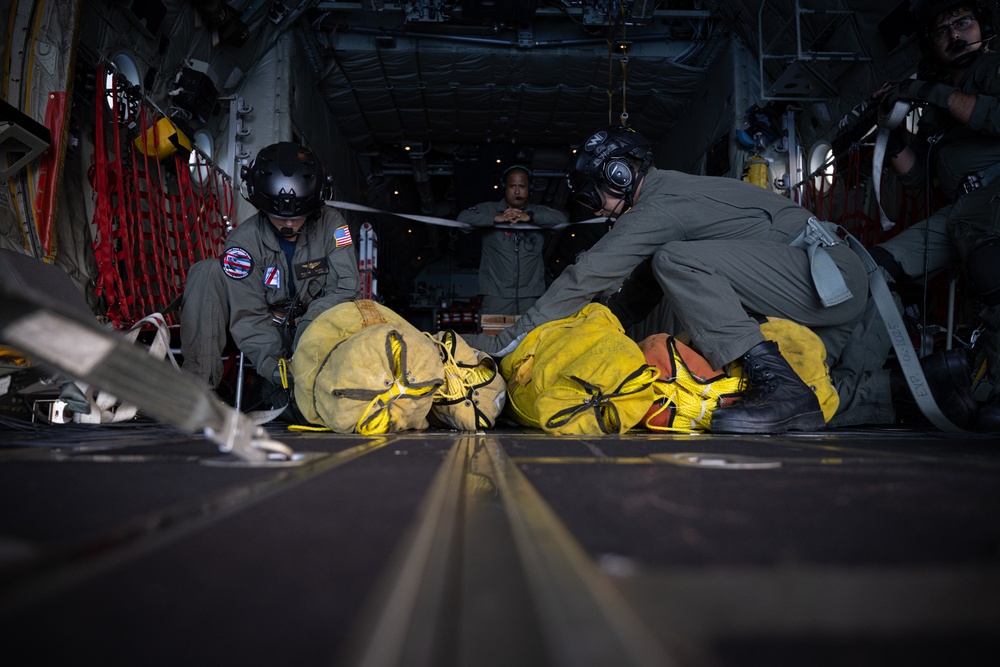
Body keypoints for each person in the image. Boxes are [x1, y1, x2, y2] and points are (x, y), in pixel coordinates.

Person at [462, 125, 871, 434]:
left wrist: (502, 344)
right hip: (818, 289)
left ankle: (783, 389)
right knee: (825, 393)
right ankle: (837, 390)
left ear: (619, 175)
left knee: (677, 260)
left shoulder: (659, 203)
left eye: (594, 196)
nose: (599, 211)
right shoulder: (673, 199)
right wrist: (595, 326)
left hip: (823, 279)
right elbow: (640, 286)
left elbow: (588, 273)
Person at [872, 0, 1000, 430]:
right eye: (942, 31)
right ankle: (870, 386)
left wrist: (929, 92)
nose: (955, 36)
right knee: (875, 271)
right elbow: (920, 180)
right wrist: (887, 135)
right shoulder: (937, 106)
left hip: (995, 192)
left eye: (963, 23)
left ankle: (996, 388)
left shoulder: (991, 70)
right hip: (957, 209)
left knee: (990, 265)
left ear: (983, 25)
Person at [180, 141, 360, 398]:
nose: (289, 223)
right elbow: (249, 316)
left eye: (298, 216)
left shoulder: (333, 226)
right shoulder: (242, 244)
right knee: (206, 271)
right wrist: (276, 368)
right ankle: (198, 392)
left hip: (318, 330)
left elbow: (345, 289)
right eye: (279, 216)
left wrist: (309, 330)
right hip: (264, 330)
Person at [457, 165, 568, 315]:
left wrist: (530, 217)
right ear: (505, 187)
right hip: (496, 295)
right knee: (492, 335)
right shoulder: (489, 209)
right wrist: (496, 218)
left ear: (529, 189)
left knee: (532, 337)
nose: (517, 191)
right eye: (512, 186)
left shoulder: (537, 211)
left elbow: (561, 220)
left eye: (522, 186)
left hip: (530, 295)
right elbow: (463, 220)